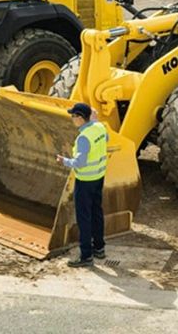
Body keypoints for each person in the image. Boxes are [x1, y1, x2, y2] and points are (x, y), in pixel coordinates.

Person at [56, 102, 108, 268]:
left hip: (85, 181)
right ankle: (99, 248)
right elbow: (106, 139)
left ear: (80, 118)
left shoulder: (83, 138)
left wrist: (64, 161)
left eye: (73, 116)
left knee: (84, 217)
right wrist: (96, 120)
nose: (72, 119)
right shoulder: (100, 128)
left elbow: (80, 163)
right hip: (99, 177)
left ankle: (86, 255)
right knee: (96, 211)